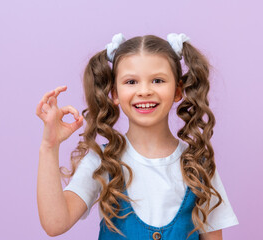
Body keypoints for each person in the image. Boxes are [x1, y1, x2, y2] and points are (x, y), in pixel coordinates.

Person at [36, 33, 239, 240]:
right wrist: (49, 146)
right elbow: (55, 224)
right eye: (131, 82)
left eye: (158, 80)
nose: (144, 91)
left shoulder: (199, 167)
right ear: (114, 93)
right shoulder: (102, 162)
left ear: (178, 91)